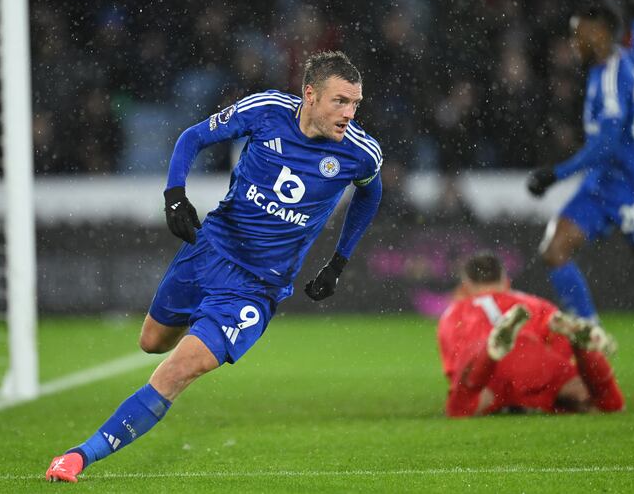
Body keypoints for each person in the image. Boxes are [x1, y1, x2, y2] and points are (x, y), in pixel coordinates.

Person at [46, 51, 383, 482]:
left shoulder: (360, 153)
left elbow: (370, 195)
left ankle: (78, 456)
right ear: (310, 95)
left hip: (255, 288)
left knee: (178, 370)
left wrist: (338, 261)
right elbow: (191, 138)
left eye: (355, 104)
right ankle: (206, 323)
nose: (349, 115)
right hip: (210, 250)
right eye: (340, 101)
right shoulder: (266, 110)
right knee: (152, 342)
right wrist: (174, 195)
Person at [527, 3, 634, 322]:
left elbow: (607, 144)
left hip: (630, 184)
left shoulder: (611, 79)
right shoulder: (613, 61)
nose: (573, 43)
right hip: (599, 183)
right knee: (555, 251)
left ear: (600, 33)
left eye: (578, 34)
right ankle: (591, 333)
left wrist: (555, 174)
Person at [437, 252, 624, 417]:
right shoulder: (533, 304)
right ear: (507, 282)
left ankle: (491, 350)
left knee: (459, 409)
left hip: (488, 376)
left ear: (463, 288)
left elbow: (456, 370)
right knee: (605, 402)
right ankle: (584, 348)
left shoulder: (453, 314)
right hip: (533, 358)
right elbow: (560, 354)